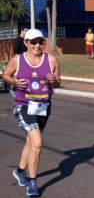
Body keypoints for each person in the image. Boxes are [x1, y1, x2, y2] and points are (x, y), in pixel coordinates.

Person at [2, 29, 61, 197]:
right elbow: (5, 75)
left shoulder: (51, 60)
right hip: (23, 106)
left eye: (39, 42)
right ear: (26, 43)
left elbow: (58, 83)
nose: (37, 45)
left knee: (31, 142)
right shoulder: (18, 60)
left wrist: (54, 80)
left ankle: (20, 171)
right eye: (33, 42)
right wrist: (14, 81)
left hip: (43, 107)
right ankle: (32, 181)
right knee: (37, 143)